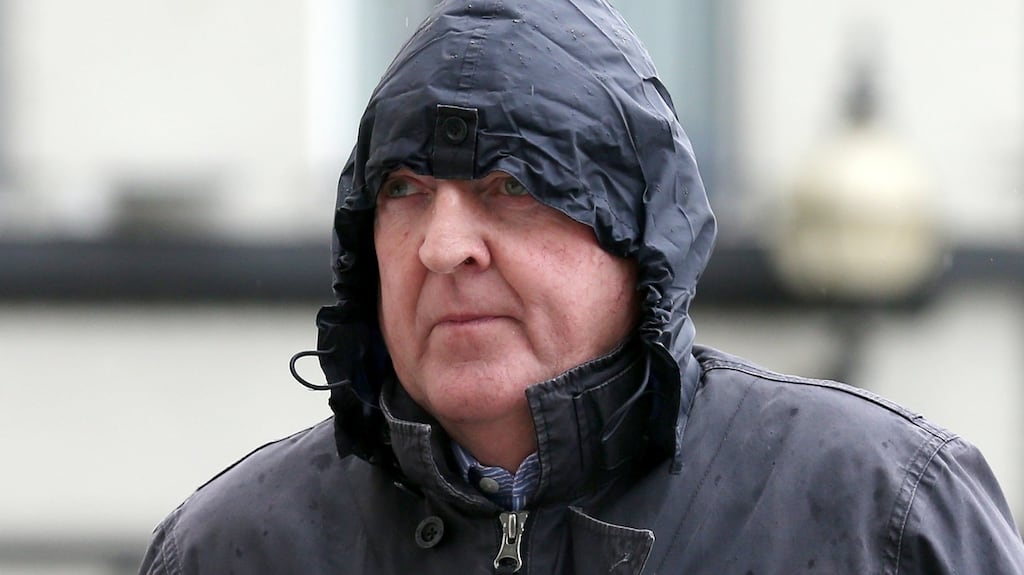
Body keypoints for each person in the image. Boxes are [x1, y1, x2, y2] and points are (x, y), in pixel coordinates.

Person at [140, 1, 1024, 573]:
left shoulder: (884, 514)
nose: (444, 247)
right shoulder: (228, 551)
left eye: (512, 188)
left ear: (640, 238)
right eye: (404, 191)